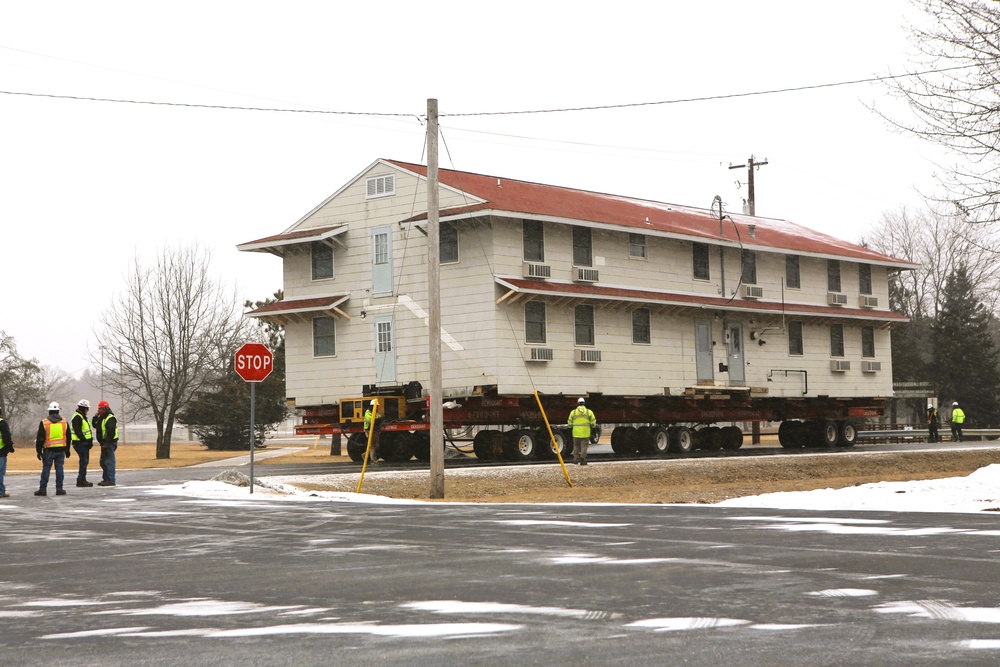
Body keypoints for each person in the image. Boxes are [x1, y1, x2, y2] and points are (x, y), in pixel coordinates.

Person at [36, 401, 71, 496]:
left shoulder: (44, 423)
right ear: (58, 411)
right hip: (61, 449)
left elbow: (40, 438)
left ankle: (42, 489)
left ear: (49, 411)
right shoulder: (64, 422)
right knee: (59, 469)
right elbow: (68, 437)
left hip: (48, 450)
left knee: (46, 469)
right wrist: (68, 449)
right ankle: (59, 489)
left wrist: (38, 451)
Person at [92, 400, 118, 486]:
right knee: (103, 462)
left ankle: (110, 480)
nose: (98, 411)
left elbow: (110, 432)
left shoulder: (110, 418)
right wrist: (95, 417)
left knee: (109, 462)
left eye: (100, 409)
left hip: (110, 443)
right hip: (104, 443)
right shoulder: (102, 417)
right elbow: (95, 425)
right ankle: (106, 479)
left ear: (104, 409)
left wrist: (106, 443)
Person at [70, 399, 95, 487]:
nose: (88, 410)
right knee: (84, 461)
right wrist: (85, 441)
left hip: (83, 443)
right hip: (80, 443)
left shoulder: (82, 416)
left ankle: (82, 479)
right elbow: (78, 431)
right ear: (84, 408)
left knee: (84, 461)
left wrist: (89, 441)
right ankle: (81, 480)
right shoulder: (78, 417)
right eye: (87, 408)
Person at [567, 397, 597, 465]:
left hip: (576, 433)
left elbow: (569, 422)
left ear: (578, 403)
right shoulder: (589, 412)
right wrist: (593, 427)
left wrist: (570, 427)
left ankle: (575, 459)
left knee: (576, 446)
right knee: (584, 446)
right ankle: (582, 459)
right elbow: (593, 422)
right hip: (585, 433)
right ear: (584, 403)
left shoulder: (573, 412)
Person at [0, 405, 14, 498]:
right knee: (0, 472)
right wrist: (10, 447)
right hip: (1, 451)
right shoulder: (2, 423)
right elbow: (6, 437)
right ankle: (1, 491)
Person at [363, 399, 381, 465]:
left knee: (376, 445)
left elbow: (379, 418)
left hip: (375, 430)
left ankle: (365, 455)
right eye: (376, 406)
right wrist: (378, 420)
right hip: (369, 430)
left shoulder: (375, 413)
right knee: (373, 445)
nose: (377, 407)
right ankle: (373, 460)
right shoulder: (368, 412)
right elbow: (371, 420)